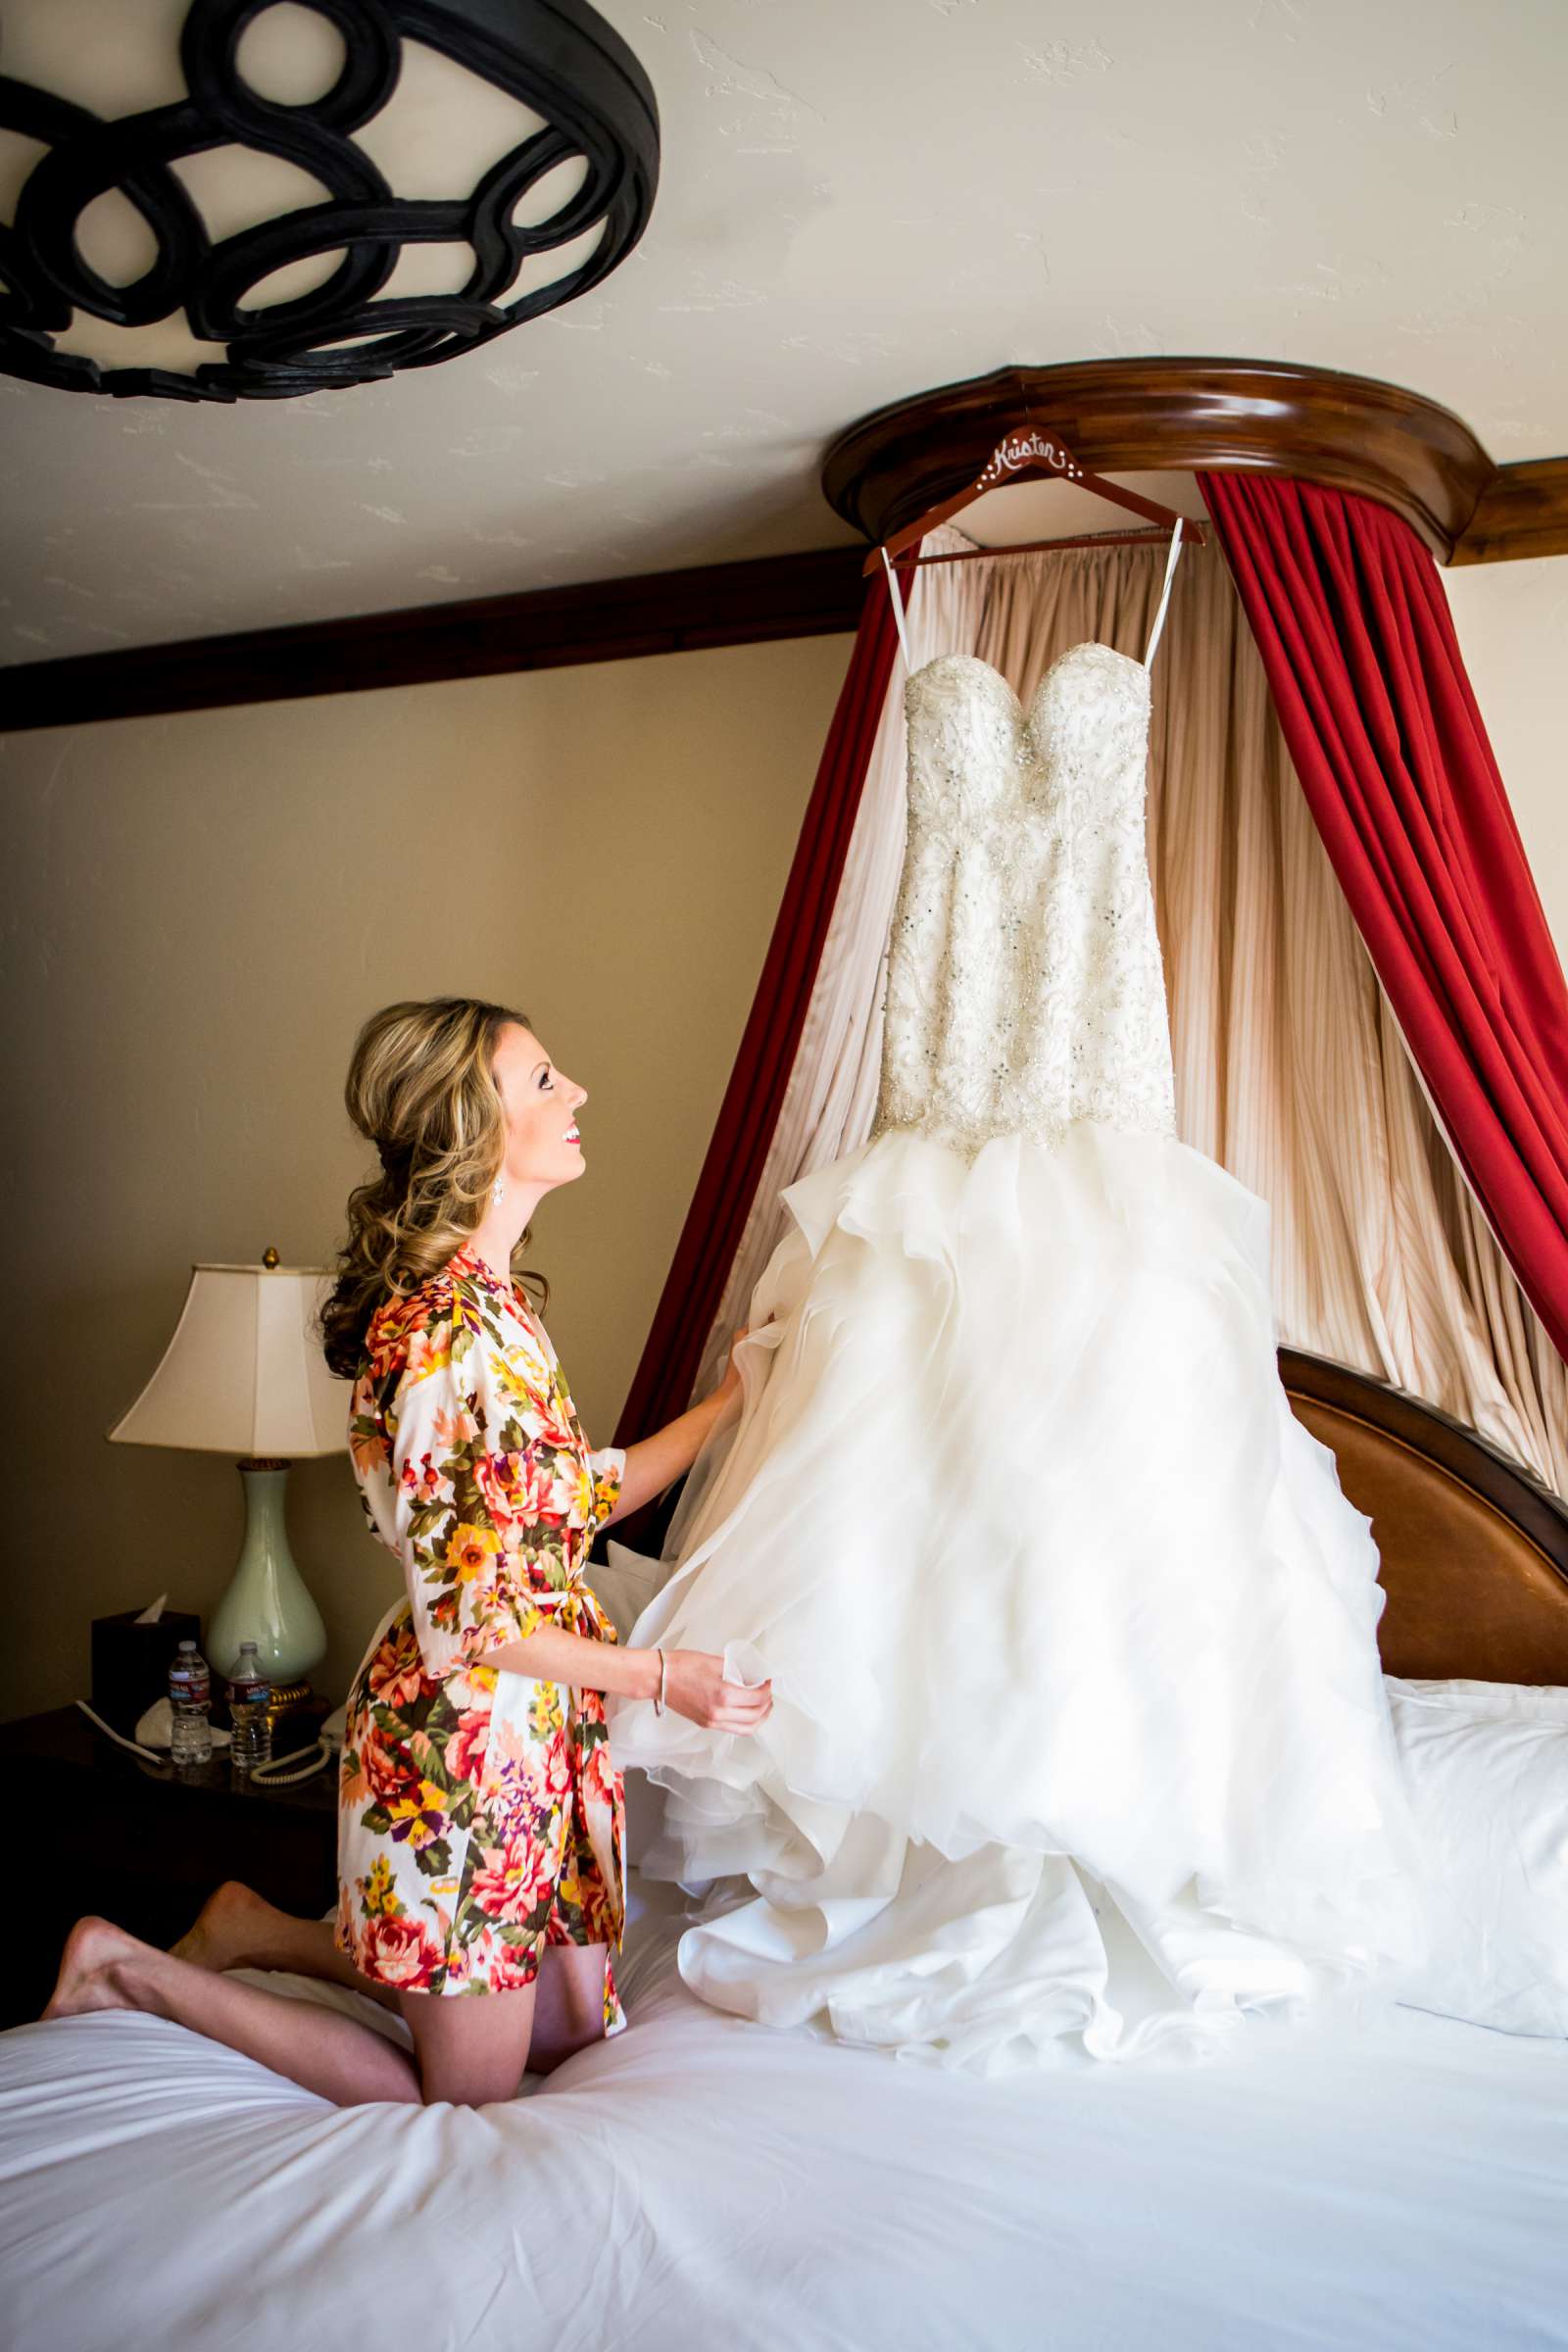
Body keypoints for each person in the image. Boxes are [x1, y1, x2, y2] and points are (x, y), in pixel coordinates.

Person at [612, 552, 1431, 2074]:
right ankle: (890, 1864)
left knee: (1088, 1496)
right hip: (931, 1116)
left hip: (1100, 1109)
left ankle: (1085, 1846)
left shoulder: (1182, 582)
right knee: (891, 1498)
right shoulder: (914, 608)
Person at [43, 995, 770, 2104]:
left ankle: (258, 1925)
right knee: (463, 2095)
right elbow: (468, 1624)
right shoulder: (436, 1337)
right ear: (472, 1132)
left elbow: (577, 1495)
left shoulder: (504, 1308)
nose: (575, 1095)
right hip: (457, 1744)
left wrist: (728, 1402)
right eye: (543, 1082)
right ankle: (130, 1969)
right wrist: (667, 1679)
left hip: (534, 1733)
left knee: (571, 2032)